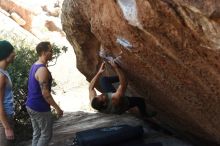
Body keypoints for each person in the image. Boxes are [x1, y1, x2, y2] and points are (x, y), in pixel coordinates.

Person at [25, 41, 63, 146]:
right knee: (46, 135)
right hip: (39, 107)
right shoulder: (42, 70)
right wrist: (57, 108)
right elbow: (45, 93)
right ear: (43, 52)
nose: (52, 53)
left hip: (31, 105)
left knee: (37, 133)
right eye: (50, 51)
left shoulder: (35, 65)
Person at [89, 60, 156, 117]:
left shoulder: (95, 102)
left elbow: (91, 88)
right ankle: (144, 114)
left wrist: (99, 72)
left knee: (103, 80)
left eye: (98, 95)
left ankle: (119, 76)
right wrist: (117, 68)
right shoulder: (115, 100)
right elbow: (123, 84)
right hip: (123, 104)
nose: (101, 94)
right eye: (101, 96)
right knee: (140, 101)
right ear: (105, 103)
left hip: (110, 99)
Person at [0, 40, 16, 146]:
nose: (14, 54)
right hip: (3, 121)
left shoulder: (4, 72)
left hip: (6, 117)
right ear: (6, 55)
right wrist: (7, 127)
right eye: (12, 51)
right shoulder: (1, 76)